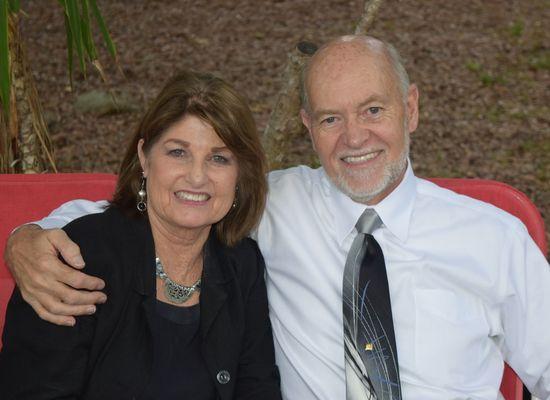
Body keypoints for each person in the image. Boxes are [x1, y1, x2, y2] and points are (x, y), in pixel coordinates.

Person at [4, 35, 550, 399]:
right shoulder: (273, 203)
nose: (355, 138)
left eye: (373, 110)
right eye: (332, 118)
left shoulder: (494, 238)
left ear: (411, 108)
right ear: (308, 127)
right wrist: (30, 238)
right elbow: (154, 210)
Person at [0, 70, 282, 399]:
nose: (196, 177)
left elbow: (257, 387)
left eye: (218, 158)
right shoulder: (77, 261)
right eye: (178, 152)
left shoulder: (241, 263)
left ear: (240, 174)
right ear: (144, 158)